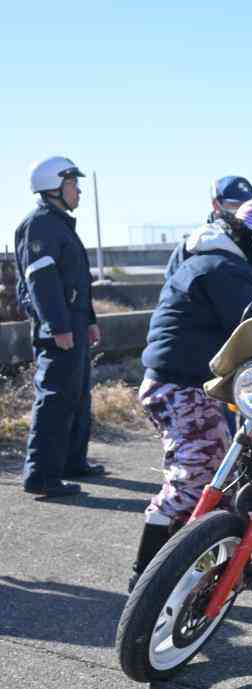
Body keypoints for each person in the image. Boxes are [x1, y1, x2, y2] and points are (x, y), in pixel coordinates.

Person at [131, 199, 252, 590]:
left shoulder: (218, 260)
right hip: (181, 386)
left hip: (180, 383)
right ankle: (149, 577)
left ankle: (213, 562)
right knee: (194, 478)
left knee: (222, 470)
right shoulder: (225, 268)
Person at [16, 156, 103, 498]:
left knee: (78, 395)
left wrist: (90, 321)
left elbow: (76, 281)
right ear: (54, 187)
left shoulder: (60, 223)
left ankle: (72, 462)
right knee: (54, 399)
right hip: (58, 330)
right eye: (72, 184)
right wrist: (57, 326)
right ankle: (40, 476)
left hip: (74, 325)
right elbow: (42, 282)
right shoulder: (40, 224)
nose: (78, 190)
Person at [164, 176, 252, 280]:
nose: (241, 211)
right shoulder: (192, 244)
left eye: (247, 206)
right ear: (216, 204)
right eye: (234, 205)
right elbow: (173, 287)